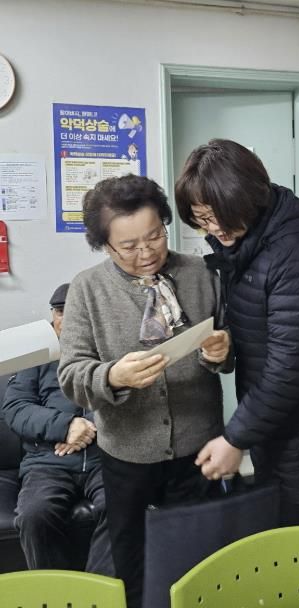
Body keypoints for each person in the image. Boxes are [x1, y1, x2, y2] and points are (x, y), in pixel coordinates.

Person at [57, 174, 231, 608]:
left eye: (155, 236)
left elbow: (230, 355)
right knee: (134, 565)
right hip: (128, 454)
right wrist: (113, 376)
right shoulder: (87, 289)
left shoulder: (201, 274)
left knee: (202, 563)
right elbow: (71, 375)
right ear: (105, 246)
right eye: (129, 246)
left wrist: (220, 352)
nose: (147, 252)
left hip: (198, 449)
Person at [175, 139, 299, 526]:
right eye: (202, 219)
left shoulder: (295, 253)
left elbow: (289, 368)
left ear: (249, 199)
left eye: (220, 216)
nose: (214, 229)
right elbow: (257, 329)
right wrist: (226, 346)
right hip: (272, 426)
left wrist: (235, 437)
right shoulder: (246, 245)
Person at [1, 283, 113, 575]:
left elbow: (128, 397)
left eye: (74, 311)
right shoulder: (36, 355)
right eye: (60, 311)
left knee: (121, 507)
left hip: (105, 457)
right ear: (52, 315)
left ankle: (101, 590)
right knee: (34, 515)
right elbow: (15, 407)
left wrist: (87, 427)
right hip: (47, 462)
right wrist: (66, 427)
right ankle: (57, 592)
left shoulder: (111, 347)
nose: (66, 318)